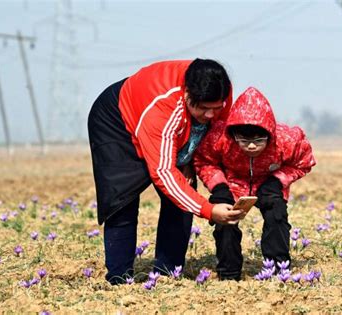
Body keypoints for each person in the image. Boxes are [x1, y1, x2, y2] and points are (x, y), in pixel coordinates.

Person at [87, 59, 245, 285]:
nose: (211, 114)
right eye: (203, 108)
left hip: (167, 125)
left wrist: (188, 159)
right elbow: (163, 173)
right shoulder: (163, 109)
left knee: (184, 192)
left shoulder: (220, 92)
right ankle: (119, 278)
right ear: (187, 94)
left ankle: (168, 273)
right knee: (122, 199)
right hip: (117, 122)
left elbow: (212, 132)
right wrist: (208, 210)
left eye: (216, 108)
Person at [194, 86, 316, 280]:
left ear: (270, 134)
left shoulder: (287, 140)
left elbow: (303, 162)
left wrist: (278, 181)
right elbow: (204, 160)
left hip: (269, 182)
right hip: (232, 182)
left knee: (277, 214)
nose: (251, 146)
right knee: (226, 219)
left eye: (259, 140)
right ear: (233, 134)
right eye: (243, 140)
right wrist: (219, 186)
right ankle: (229, 272)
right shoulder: (219, 138)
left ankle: (277, 269)